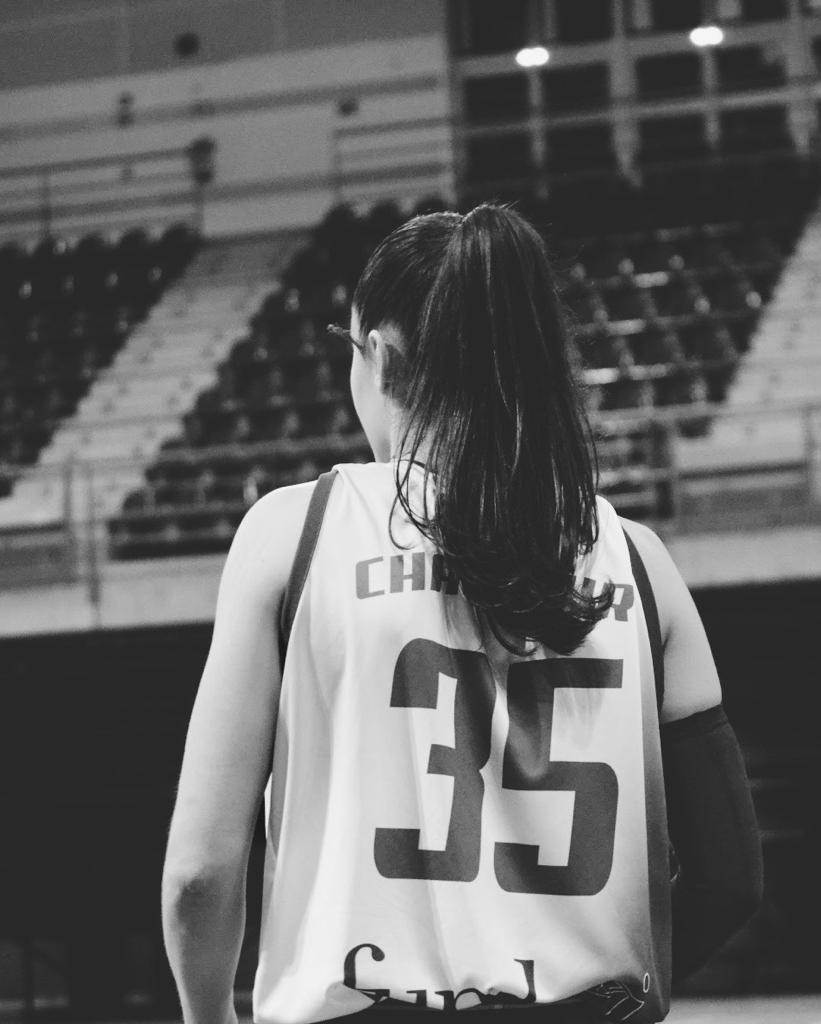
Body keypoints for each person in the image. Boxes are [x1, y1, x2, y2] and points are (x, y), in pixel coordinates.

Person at [162, 205, 763, 1024]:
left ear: (381, 356)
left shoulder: (291, 533)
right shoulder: (638, 559)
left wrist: (207, 1015)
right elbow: (729, 877)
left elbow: (198, 873)